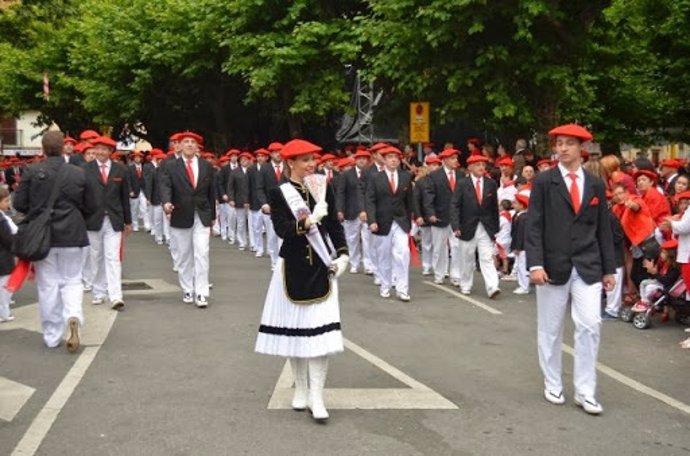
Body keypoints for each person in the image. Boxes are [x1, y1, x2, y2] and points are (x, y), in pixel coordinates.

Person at [254, 139, 349, 423]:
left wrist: (343, 254)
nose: (311, 164)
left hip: (321, 267)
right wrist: (308, 222)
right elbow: (282, 229)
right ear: (290, 164)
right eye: (305, 160)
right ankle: (302, 388)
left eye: (313, 159)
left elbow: (333, 225)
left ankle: (317, 397)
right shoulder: (279, 192)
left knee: (320, 336)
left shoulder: (324, 187)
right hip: (292, 267)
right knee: (296, 331)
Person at [526, 124, 616, 415]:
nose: (562, 148)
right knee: (550, 329)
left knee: (591, 324)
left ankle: (585, 391)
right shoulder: (544, 181)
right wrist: (535, 263)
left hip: (588, 265)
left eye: (568, 144)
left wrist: (609, 268)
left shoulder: (595, 184)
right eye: (559, 143)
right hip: (553, 265)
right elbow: (534, 224)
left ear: (581, 149)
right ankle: (553, 382)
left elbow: (603, 227)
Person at [13, 131, 96, 351]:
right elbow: (91, 205)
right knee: (72, 279)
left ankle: (52, 334)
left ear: (42, 148)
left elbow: (20, 204)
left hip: (44, 235)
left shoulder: (32, 170)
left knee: (48, 283)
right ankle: (73, 314)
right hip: (73, 233)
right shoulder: (78, 173)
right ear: (63, 148)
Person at [160, 131, 216, 307]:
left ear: (198, 146)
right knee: (184, 256)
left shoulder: (206, 165)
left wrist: (213, 216)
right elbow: (165, 186)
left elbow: (211, 191)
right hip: (180, 213)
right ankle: (187, 289)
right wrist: (167, 202)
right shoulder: (170, 166)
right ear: (179, 145)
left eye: (193, 142)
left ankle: (201, 292)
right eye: (186, 142)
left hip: (202, 214)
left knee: (202, 253)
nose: (190, 144)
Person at [83, 136, 132, 310]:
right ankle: (98, 292)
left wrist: (128, 220)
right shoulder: (85, 169)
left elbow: (124, 196)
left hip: (114, 219)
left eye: (105, 149)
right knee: (95, 257)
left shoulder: (120, 170)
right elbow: (81, 196)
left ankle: (116, 295)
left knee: (113, 257)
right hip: (92, 219)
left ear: (111, 152)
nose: (101, 152)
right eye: (98, 148)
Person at [366, 146, 420, 301]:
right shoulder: (376, 177)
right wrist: (372, 220)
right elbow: (370, 200)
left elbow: (410, 200)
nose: (394, 160)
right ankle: (385, 285)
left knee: (402, 253)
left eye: (396, 157)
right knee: (383, 256)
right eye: (390, 157)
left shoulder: (405, 176)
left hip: (401, 221)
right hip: (382, 221)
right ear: (384, 159)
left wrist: (413, 219)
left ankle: (403, 289)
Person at [451, 154, 501, 297]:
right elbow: (455, 205)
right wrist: (456, 226)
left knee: (486, 257)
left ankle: (492, 286)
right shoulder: (462, 183)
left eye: (483, 165)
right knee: (467, 257)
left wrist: (495, 229)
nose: (481, 168)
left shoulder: (490, 183)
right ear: (470, 167)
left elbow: (494, 208)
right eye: (478, 165)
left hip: (485, 227)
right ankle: (466, 284)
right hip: (467, 226)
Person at [423, 148, 462, 286]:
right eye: (452, 158)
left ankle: (456, 275)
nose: (455, 161)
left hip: (457, 217)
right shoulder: (434, 176)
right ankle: (439, 273)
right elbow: (428, 197)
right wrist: (431, 214)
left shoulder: (461, 175)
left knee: (457, 246)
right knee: (439, 247)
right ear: (444, 160)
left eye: (456, 158)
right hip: (439, 216)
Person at [335, 149, 371, 274]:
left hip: (367, 211)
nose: (362, 160)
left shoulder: (371, 174)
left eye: (364, 158)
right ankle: (354, 263)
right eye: (359, 158)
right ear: (355, 160)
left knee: (368, 239)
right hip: (350, 211)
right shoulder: (346, 174)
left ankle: (368, 264)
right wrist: (339, 210)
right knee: (352, 239)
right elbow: (340, 193)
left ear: (368, 160)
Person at [630, 239, 680, 313]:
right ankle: (644, 301)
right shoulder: (663, 263)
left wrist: (655, 273)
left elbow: (667, 281)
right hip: (660, 282)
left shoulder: (674, 268)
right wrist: (651, 271)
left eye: (663, 252)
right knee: (643, 282)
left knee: (649, 288)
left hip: (666, 286)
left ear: (670, 254)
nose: (660, 255)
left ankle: (648, 303)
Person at [227, 152, 252, 251]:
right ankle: (242, 241)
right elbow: (230, 187)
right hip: (239, 200)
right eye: (242, 160)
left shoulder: (252, 170)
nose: (244, 161)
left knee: (251, 223)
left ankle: (252, 242)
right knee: (241, 222)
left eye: (246, 159)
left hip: (251, 201)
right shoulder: (235, 172)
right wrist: (231, 199)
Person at [0, 187, 16, 323]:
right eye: (6, 201)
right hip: (3, 258)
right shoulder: (2, 220)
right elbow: (7, 239)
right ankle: (4, 313)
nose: (8, 203)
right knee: (4, 287)